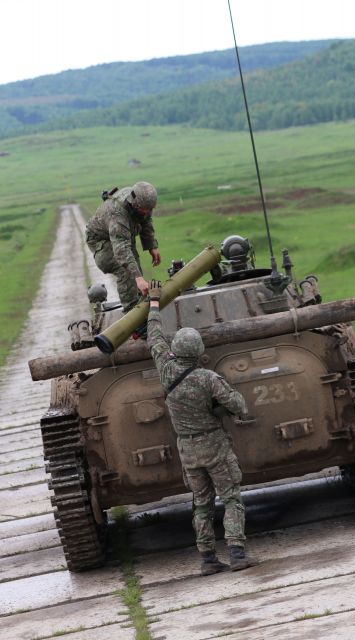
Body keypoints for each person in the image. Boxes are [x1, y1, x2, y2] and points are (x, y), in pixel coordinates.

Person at [146, 279, 255, 575]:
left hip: (188, 449)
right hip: (214, 445)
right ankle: (237, 553)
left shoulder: (166, 370)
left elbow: (154, 336)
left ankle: (207, 559)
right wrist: (222, 409)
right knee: (231, 498)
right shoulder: (207, 378)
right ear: (198, 351)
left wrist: (154, 302)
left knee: (201, 504)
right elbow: (239, 405)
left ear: (176, 350)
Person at [85, 181, 161, 312]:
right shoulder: (117, 215)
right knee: (126, 270)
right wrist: (138, 278)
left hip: (122, 235)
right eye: (144, 209)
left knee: (135, 268)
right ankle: (131, 311)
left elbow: (146, 220)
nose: (147, 212)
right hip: (101, 241)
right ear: (135, 204)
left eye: (149, 209)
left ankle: (140, 301)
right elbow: (121, 250)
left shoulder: (142, 203)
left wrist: (151, 246)